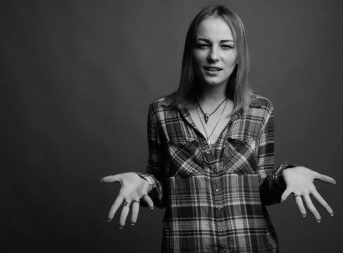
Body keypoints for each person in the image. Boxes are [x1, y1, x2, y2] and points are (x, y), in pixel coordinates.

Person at [100, 4, 336, 253]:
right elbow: (161, 189)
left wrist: (288, 174)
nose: (214, 56)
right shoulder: (161, 112)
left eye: (226, 45)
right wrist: (142, 181)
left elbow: (263, 189)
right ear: (191, 51)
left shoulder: (261, 110)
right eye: (203, 45)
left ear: (239, 53)